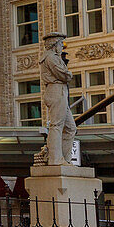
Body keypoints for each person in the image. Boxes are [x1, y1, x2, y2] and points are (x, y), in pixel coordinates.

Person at [40, 32, 77, 165]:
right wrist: (69, 74)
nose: (62, 46)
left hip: (59, 91)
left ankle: (64, 159)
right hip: (55, 90)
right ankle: (55, 159)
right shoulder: (51, 58)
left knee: (70, 127)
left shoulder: (54, 57)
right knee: (56, 125)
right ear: (54, 45)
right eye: (61, 43)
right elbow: (64, 75)